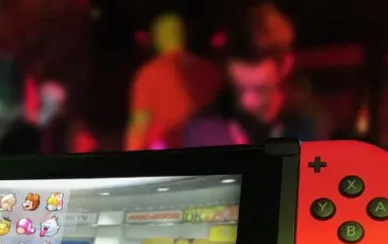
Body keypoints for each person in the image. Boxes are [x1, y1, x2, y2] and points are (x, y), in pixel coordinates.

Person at [184, 42, 326, 147]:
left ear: (285, 67)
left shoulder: (309, 125)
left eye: (261, 89)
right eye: (239, 88)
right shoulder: (203, 129)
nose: (247, 102)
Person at [125, 13, 221, 151]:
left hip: (167, 149)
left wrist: (131, 157)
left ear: (157, 38)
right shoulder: (209, 69)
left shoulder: (148, 74)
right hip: (207, 146)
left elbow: (140, 123)